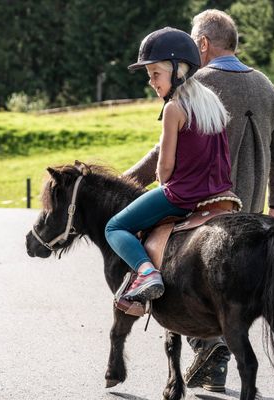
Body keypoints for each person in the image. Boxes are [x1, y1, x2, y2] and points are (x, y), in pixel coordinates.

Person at [123, 9, 274, 393]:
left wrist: (126, 183)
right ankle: (217, 357)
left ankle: (199, 344)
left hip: (204, 208)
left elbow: (162, 154)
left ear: (201, 45)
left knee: (183, 278)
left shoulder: (196, 83)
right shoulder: (267, 87)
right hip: (247, 209)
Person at [104, 27, 231, 305]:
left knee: (114, 227)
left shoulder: (174, 108)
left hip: (182, 196)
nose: (151, 82)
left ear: (177, 71)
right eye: (149, 76)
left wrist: (163, 182)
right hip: (220, 193)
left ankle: (146, 272)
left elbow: (164, 169)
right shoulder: (213, 104)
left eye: (155, 74)